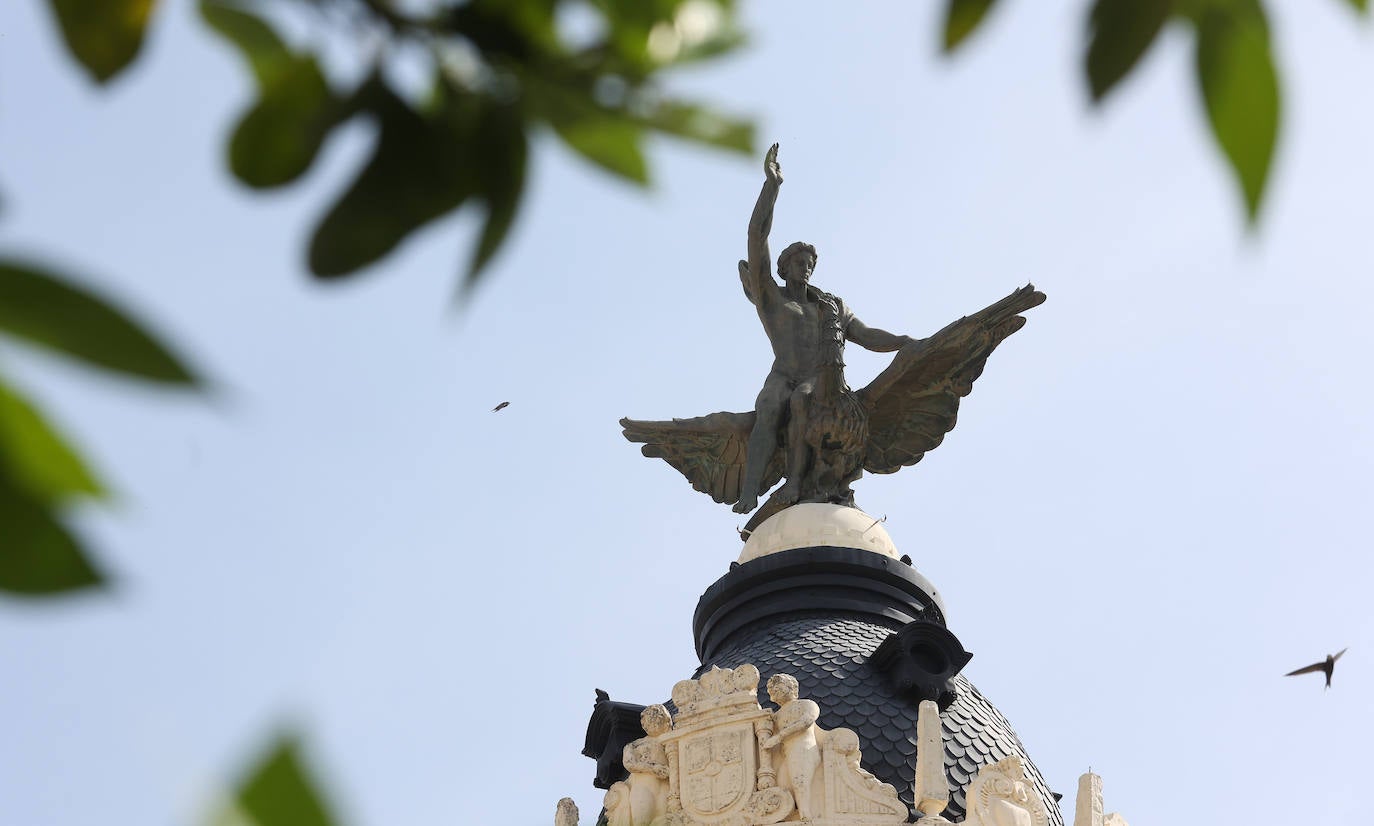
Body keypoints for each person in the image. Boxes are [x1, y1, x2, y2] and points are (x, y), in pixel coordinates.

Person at [734, 144, 917, 514]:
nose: (805, 267)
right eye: (798, 262)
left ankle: (798, 484)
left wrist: (905, 343)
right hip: (782, 374)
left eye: (809, 262)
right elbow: (756, 236)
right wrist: (772, 187)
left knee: (803, 399)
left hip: (818, 379)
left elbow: (865, 335)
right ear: (783, 269)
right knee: (769, 406)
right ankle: (750, 491)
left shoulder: (831, 307)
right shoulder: (772, 298)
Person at [760, 674, 822, 821]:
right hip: (788, 755)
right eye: (771, 690)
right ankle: (793, 815)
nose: (774, 691)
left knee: (800, 781)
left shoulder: (807, 704)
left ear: (791, 687)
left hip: (804, 749)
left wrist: (779, 737)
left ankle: (806, 817)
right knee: (782, 787)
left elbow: (806, 721)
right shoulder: (776, 716)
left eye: (778, 686)